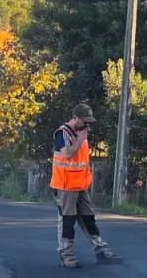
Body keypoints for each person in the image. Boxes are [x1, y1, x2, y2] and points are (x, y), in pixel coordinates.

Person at [51, 103, 122, 268]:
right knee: (67, 221)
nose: (87, 126)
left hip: (81, 186)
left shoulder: (80, 133)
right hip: (65, 186)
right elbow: (67, 154)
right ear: (75, 118)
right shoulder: (62, 134)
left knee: (88, 219)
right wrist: (80, 140)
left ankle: (101, 251)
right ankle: (66, 255)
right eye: (85, 121)